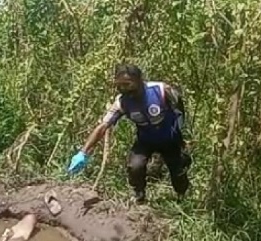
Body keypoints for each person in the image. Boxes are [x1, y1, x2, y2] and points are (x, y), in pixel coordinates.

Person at [67, 63, 192, 203]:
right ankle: (139, 196)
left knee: (178, 172)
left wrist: (180, 133)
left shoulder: (161, 90)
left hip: (170, 139)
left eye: (128, 84)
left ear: (139, 80)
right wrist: (83, 153)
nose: (125, 89)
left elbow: (179, 108)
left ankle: (182, 198)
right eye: (120, 86)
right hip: (146, 140)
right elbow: (103, 126)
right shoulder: (122, 103)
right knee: (135, 166)